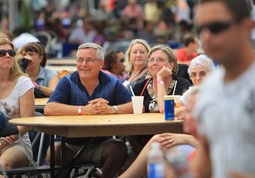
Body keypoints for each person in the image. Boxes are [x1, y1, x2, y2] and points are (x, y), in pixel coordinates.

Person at [192, 0, 255, 178]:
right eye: (200, 29)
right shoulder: (210, 86)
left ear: (245, 26)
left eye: (216, 27)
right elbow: (207, 159)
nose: (207, 36)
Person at [44, 43, 133, 177]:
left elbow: (135, 106)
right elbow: (49, 108)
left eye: (89, 60)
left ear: (101, 64)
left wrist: (111, 109)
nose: (83, 64)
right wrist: (83, 110)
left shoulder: (112, 82)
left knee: (119, 148)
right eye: (80, 60)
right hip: (68, 144)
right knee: (54, 151)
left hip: (101, 145)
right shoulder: (67, 81)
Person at [0, 38, 35, 170]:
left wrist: (4, 142)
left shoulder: (23, 82)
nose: (7, 55)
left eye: (11, 52)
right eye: (2, 53)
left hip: (17, 142)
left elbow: (27, 123)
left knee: (3, 165)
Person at [132, 44, 190, 113]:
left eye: (160, 60)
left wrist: (160, 78)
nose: (154, 63)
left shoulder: (181, 85)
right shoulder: (140, 88)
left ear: (171, 65)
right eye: (151, 60)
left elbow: (166, 109)